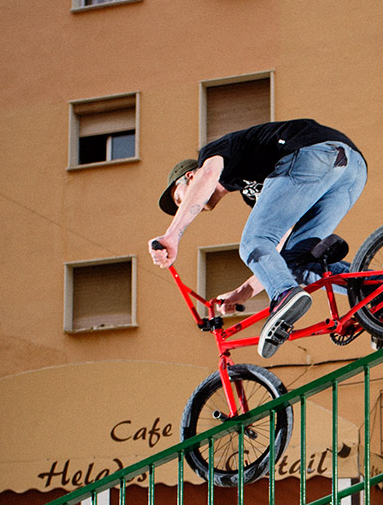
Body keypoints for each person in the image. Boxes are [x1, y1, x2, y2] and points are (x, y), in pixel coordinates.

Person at [150, 119, 367, 358]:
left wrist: (172, 236)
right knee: (297, 263)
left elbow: (209, 175)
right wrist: (243, 292)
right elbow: (279, 249)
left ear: (190, 177)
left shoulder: (212, 154)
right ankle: (381, 287)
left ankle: (284, 295)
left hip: (314, 152)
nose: (190, 206)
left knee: (252, 241)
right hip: (352, 170)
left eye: (181, 199)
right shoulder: (252, 191)